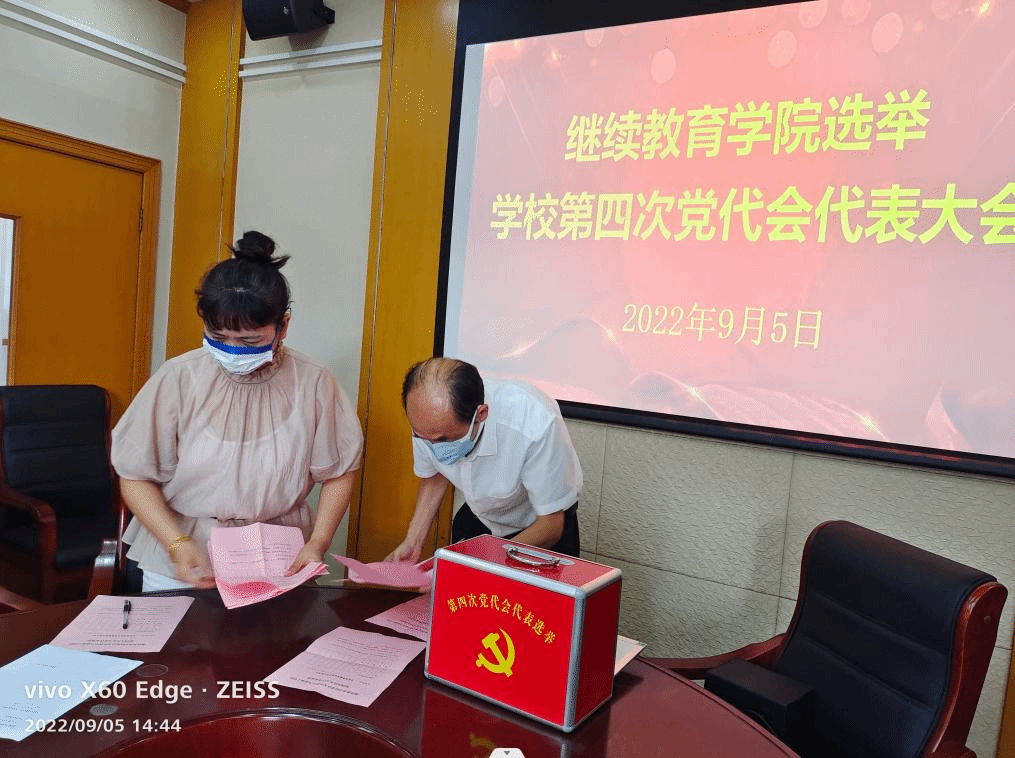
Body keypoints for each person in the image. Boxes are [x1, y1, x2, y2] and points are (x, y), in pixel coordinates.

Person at [111, 231, 363, 592]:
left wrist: (317, 543)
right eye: (218, 337)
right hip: (185, 555)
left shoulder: (314, 383)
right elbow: (135, 476)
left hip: (278, 558)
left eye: (249, 340)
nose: (232, 350)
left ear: (283, 327)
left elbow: (339, 471)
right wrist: (177, 544)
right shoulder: (178, 378)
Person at [386, 357, 582, 562]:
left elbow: (551, 526)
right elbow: (435, 475)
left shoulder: (534, 423)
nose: (433, 447)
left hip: (539, 527)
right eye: (423, 437)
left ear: (481, 414)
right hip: (483, 518)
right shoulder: (427, 423)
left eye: (443, 440)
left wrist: (485, 564)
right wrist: (413, 541)